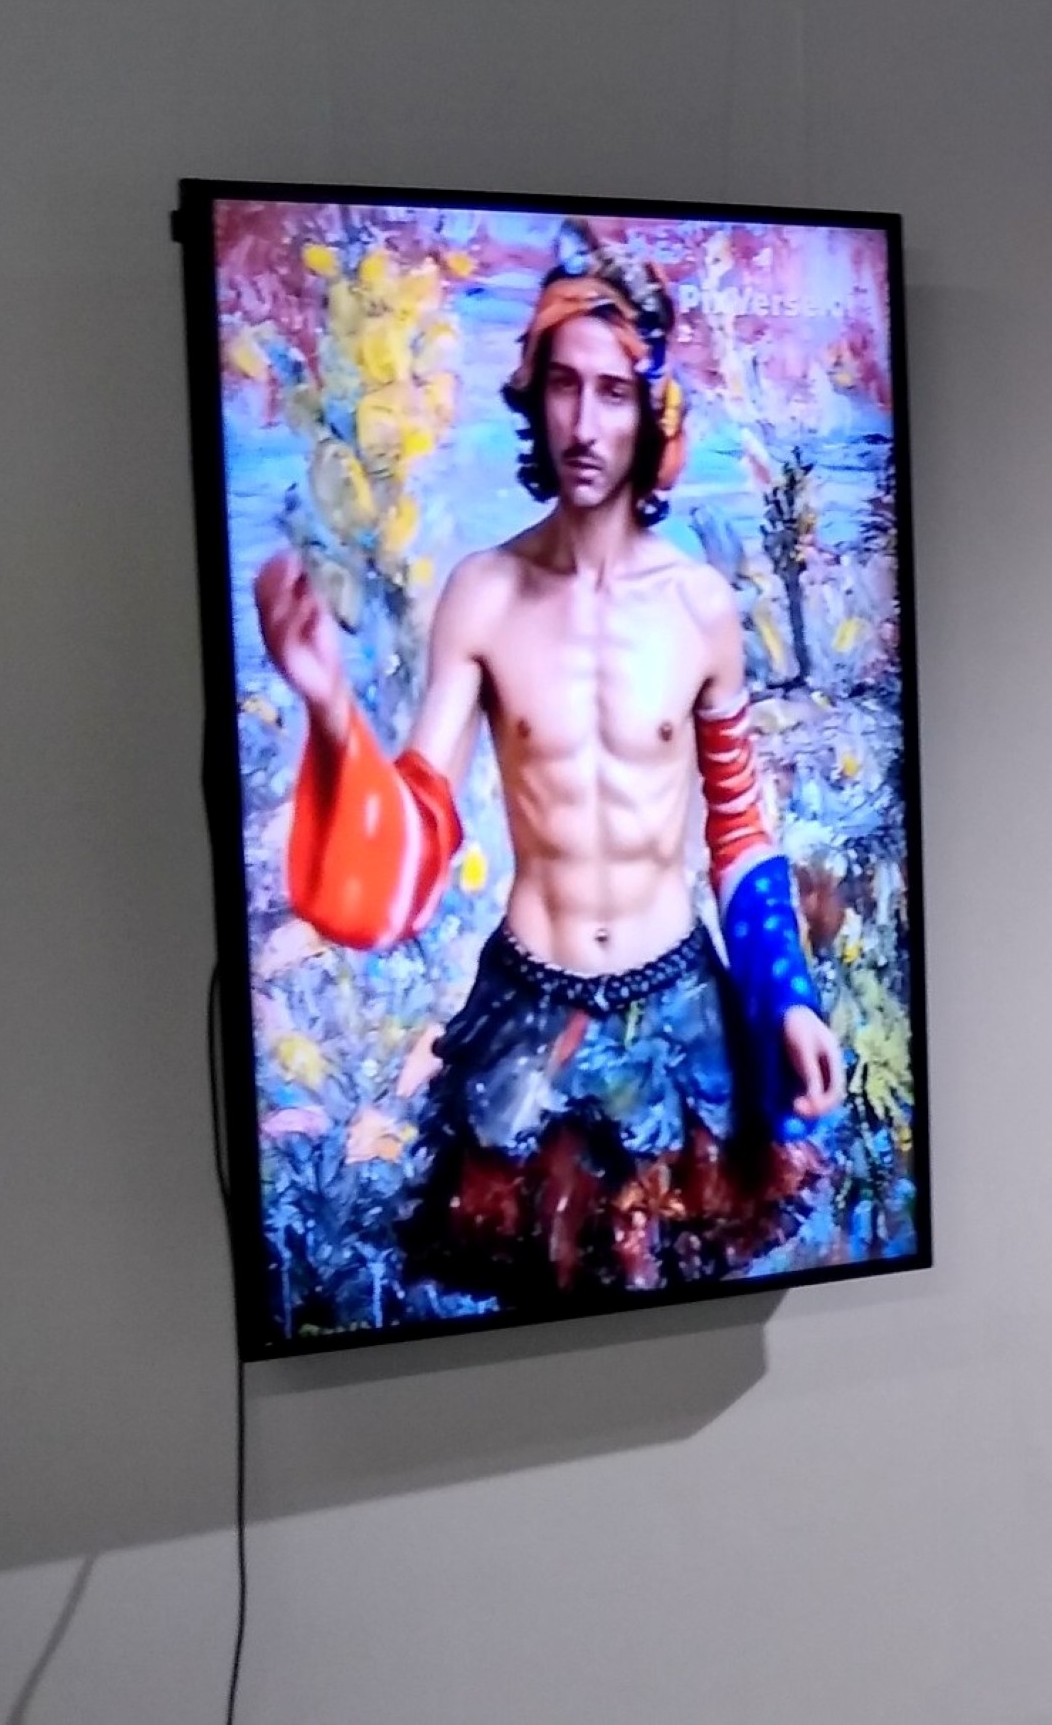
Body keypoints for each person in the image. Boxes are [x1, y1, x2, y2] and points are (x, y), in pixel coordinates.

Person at [254, 221, 844, 1307]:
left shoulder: (700, 610)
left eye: (613, 392)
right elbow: (419, 825)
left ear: (651, 411)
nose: (583, 422)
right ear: (534, 393)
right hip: (528, 1015)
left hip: (681, 1020)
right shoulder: (482, 594)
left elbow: (739, 830)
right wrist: (329, 703)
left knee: (673, 1319)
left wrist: (791, 1001)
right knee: (539, 1321)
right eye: (563, 385)